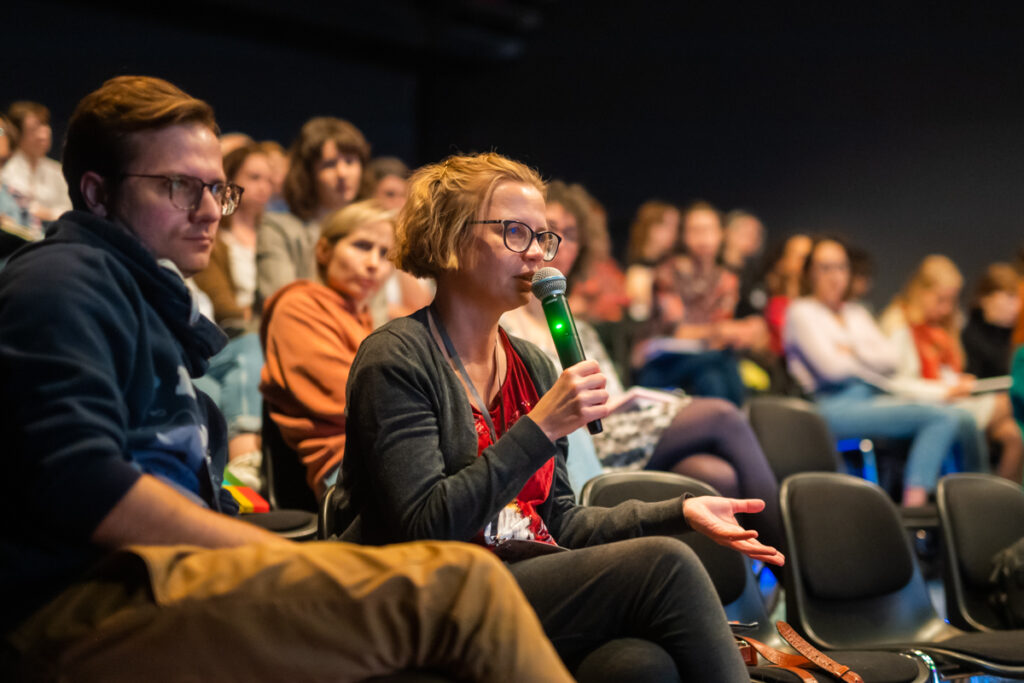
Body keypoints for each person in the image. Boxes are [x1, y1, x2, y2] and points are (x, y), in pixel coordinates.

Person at [0, 75, 575, 683]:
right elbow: (83, 483)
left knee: (628, 654)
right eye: (177, 186)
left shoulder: (143, 300)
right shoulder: (58, 285)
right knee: (466, 588)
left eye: (216, 189)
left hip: (158, 577)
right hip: (84, 604)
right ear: (96, 191)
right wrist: (262, 556)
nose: (206, 211)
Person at [335, 152, 784, 680]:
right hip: (423, 594)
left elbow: (561, 521)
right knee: (665, 565)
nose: (538, 258)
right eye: (515, 233)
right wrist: (540, 427)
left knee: (641, 666)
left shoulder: (533, 361)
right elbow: (424, 526)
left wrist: (680, 510)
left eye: (544, 238)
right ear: (450, 237)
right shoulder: (396, 356)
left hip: (517, 582)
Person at [501, 179, 783, 549]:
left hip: (615, 427)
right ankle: (796, 570)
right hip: (576, 443)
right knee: (722, 416)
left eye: (569, 234)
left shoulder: (580, 326)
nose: (556, 244)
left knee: (716, 475)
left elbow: (613, 393)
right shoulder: (507, 323)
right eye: (543, 231)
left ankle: (731, 598)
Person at [784, 237, 986, 506]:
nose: (835, 277)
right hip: (831, 406)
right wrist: (863, 356)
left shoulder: (856, 312)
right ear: (810, 272)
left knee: (959, 417)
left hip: (873, 396)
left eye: (841, 267)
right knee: (942, 417)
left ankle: (974, 499)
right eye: (826, 268)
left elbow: (889, 360)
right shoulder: (802, 311)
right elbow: (832, 370)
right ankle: (913, 509)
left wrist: (850, 348)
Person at [261, 200, 395, 497]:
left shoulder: (363, 319)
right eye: (362, 246)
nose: (374, 263)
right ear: (323, 251)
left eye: (386, 253)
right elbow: (350, 400)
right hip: (343, 469)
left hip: (385, 454)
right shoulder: (298, 305)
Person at [880, 255, 1023, 482]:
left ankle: (1002, 501)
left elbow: (943, 371)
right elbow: (897, 383)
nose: (947, 308)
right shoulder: (900, 323)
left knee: (1014, 436)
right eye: (941, 300)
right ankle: (981, 492)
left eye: (951, 301)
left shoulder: (943, 328)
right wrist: (946, 390)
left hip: (950, 398)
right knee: (1009, 400)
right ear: (921, 292)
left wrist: (957, 381)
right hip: (922, 403)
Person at [193, 142, 277, 490]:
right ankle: (243, 461)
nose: (263, 187)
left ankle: (237, 474)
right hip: (233, 333)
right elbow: (226, 306)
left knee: (223, 379)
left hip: (261, 333)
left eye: (269, 179)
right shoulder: (214, 236)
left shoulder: (275, 232)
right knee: (218, 376)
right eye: (253, 177)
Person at [635, 200, 765, 405]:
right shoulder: (667, 274)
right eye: (695, 230)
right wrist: (722, 330)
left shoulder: (726, 280)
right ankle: (735, 427)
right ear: (684, 236)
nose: (703, 238)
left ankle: (726, 428)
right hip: (663, 363)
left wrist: (742, 332)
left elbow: (722, 335)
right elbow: (676, 331)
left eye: (709, 230)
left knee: (712, 374)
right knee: (720, 364)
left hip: (707, 361)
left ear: (721, 234)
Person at [257, 116, 369, 302]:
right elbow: (282, 302)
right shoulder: (277, 229)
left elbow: (376, 311)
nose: (343, 173)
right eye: (329, 164)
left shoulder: (370, 232)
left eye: (350, 162)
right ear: (308, 174)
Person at [0, 101, 72, 226]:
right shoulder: (6, 168)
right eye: (35, 128)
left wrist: (45, 213)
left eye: (45, 125)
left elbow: (69, 209)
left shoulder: (57, 171)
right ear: (18, 133)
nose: (44, 134)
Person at [962, 262, 1021, 379]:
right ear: (985, 299)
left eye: (1017, 298)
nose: (1016, 306)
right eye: (1010, 297)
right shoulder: (969, 337)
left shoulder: (1014, 335)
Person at [624, 199, 679, 322]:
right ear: (651, 228)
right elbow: (638, 316)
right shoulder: (638, 271)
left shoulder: (669, 265)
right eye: (668, 226)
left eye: (675, 227)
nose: (674, 233)